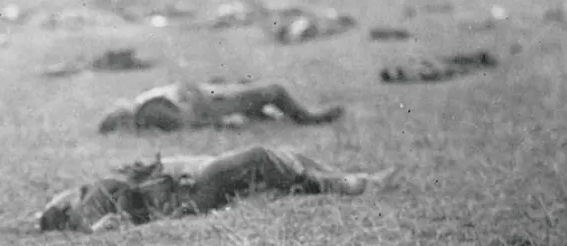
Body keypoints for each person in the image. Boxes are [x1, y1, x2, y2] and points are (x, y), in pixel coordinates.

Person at [38, 146, 400, 233]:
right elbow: (105, 226)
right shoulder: (87, 207)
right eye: (58, 202)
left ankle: (351, 177)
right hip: (188, 194)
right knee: (259, 156)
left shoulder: (89, 195)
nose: (61, 194)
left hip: (188, 180)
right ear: (63, 210)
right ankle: (347, 186)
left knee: (280, 154)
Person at [97, 78, 346, 134]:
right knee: (274, 91)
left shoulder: (145, 104)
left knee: (258, 95)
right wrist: (219, 123)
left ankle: (276, 118)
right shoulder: (148, 108)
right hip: (208, 103)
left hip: (207, 97)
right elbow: (185, 122)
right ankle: (308, 118)